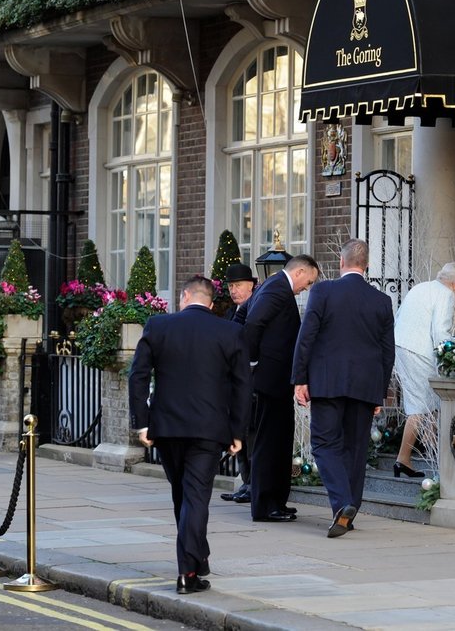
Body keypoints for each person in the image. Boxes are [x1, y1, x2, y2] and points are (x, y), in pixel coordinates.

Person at [128, 276, 252, 595]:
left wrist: (141, 423)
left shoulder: (158, 326)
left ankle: (198, 557)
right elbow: (242, 386)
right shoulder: (229, 331)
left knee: (183, 496)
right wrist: (238, 431)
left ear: (183, 297)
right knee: (194, 497)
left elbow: (138, 375)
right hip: (209, 430)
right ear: (211, 304)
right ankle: (188, 572)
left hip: (167, 429)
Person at [292, 238, 394, 538]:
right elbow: (388, 351)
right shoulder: (381, 301)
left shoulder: (323, 290)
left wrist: (300, 378)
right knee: (356, 449)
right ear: (367, 266)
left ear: (341, 261)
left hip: (327, 382)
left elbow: (306, 335)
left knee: (323, 443)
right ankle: (348, 513)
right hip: (365, 385)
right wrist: (380, 392)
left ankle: (342, 503)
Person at [244, 253, 320, 523]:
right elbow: (252, 323)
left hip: (277, 378)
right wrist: (253, 360)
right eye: (308, 282)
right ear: (299, 272)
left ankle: (276, 500)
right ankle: (266, 505)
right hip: (270, 378)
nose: (306, 288)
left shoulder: (272, 286)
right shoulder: (277, 288)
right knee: (270, 442)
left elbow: (245, 315)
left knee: (280, 440)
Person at [392, 261, 455, 477]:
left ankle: (435, 455)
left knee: (429, 405)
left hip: (402, 348)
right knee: (421, 406)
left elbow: (399, 318)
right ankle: (404, 459)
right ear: (454, 284)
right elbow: (441, 333)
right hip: (420, 352)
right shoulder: (446, 294)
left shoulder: (421, 287)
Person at [219, 262, 257, 504]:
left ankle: (254, 484)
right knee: (239, 437)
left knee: (251, 437)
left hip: (252, 384)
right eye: (231, 286)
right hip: (234, 385)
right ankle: (246, 482)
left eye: (238, 285)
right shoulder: (230, 313)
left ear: (251, 285)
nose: (233, 290)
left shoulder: (256, 308)